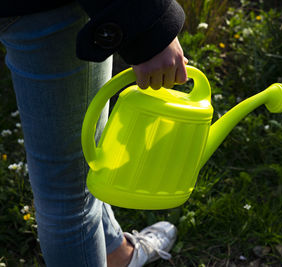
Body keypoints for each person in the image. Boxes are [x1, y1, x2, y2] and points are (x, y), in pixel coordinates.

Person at [0, 0, 187, 266]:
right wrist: (150, 26)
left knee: (82, 171)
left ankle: (115, 253)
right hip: (48, 11)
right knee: (68, 198)